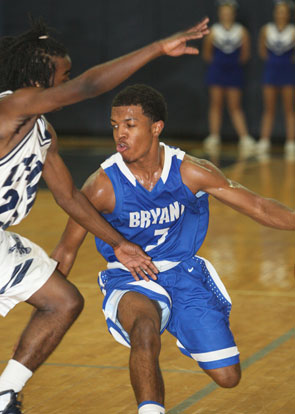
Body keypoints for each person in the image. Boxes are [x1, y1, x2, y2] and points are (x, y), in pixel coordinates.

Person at [0, 17, 210, 414]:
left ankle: (4, 393)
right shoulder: (11, 107)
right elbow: (89, 86)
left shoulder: (42, 132)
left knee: (62, 301)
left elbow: (70, 199)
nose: (70, 82)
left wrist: (121, 244)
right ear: (42, 77)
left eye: (70, 75)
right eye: (64, 75)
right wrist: (156, 48)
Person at [52, 84, 295, 414]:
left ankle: (183, 322)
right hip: (129, 278)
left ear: (156, 128)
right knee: (144, 331)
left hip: (181, 274)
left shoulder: (191, 171)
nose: (119, 135)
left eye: (129, 125)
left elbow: (260, 208)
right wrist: (46, 308)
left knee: (228, 377)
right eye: (114, 126)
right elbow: (66, 250)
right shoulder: (101, 185)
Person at [202, 0, 255, 157]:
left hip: (234, 72)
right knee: (216, 103)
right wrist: (219, 65)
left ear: (234, 14)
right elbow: (207, 54)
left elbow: (245, 55)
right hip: (217, 71)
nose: (226, 14)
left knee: (235, 105)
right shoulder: (213, 31)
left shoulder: (241, 31)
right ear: (220, 13)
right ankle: (214, 136)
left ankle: (244, 138)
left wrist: (231, 65)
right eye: (223, 12)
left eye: (229, 12)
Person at [257, 0, 295, 159]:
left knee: (289, 109)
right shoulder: (267, 30)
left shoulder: (293, 30)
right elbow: (262, 52)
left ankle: (291, 143)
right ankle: (264, 141)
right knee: (269, 108)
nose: (281, 14)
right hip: (271, 72)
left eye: (284, 11)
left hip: (288, 72)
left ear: (289, 14)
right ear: (275, 13)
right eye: (279, 11)